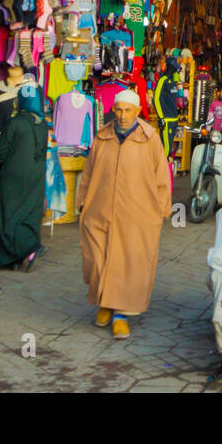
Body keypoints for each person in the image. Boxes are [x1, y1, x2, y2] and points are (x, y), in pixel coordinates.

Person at [77, 89, 172, 340]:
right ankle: (105, 302)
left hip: (137, 213)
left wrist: (162, 208)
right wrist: (82, 202)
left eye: (128, 110)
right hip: (100, 209)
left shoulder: (150, 138)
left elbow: (162, 177)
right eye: (118, 109)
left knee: (126, 264)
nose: (122, 115)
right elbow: (89, 172)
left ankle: (119, 313)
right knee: (96, 259)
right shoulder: (102, 136)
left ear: (138, 111)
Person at [0, 86, 49, 272]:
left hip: (13, 176)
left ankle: (17, 254)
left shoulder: (16, 122)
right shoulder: (43, 124)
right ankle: (28, 250)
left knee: (5, 214)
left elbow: (1, 151)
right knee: (29, 214)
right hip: (36, 175)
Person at [153, 56, 180, 158]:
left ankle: (166, 171)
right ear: (171, 67)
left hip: (173, 119)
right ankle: (160, 171)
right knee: (166, 149)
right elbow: (156, 99)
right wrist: (161, 117)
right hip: (167, 120)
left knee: (169, 149)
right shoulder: (162, 80)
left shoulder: (172, 81)